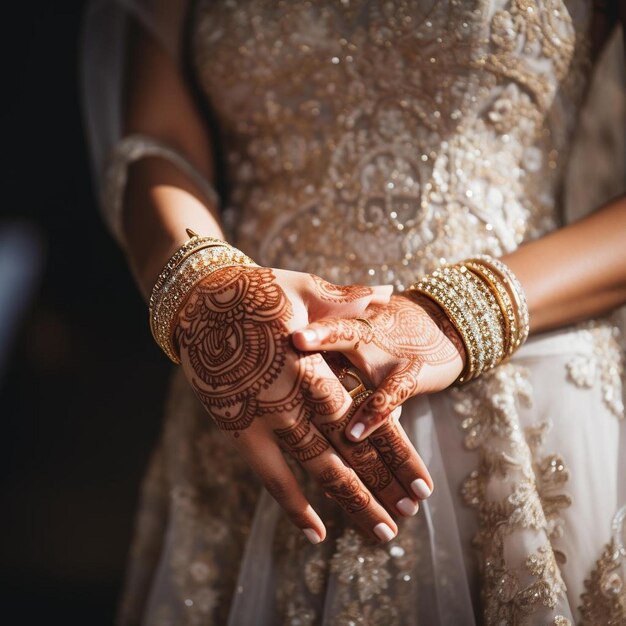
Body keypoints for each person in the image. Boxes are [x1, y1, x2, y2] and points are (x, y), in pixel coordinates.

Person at [81, 0, 626, 624]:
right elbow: (158, 137)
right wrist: (205, 286)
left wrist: (460, 312)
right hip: (249, 388)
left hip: (521, 392)